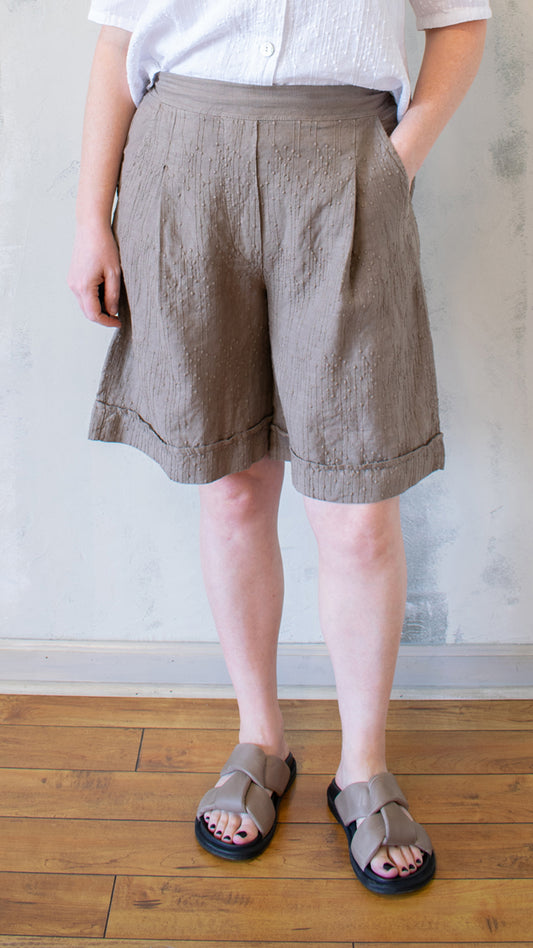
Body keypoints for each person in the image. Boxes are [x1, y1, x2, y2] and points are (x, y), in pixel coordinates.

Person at [68, 0, 491, 895]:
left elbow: (459, 21)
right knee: (230, 484)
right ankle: (260, 739)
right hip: (183, 163)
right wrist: (89, 218)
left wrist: (396, 160)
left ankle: (363, 766)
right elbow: (118, 36)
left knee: (358, 512)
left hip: (346, 165)